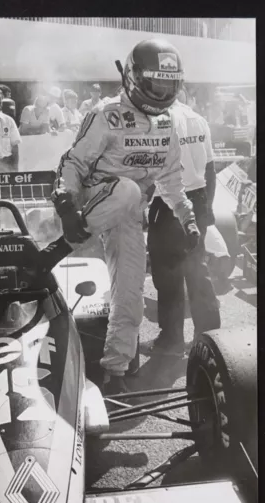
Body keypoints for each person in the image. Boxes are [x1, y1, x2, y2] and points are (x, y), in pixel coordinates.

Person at [50, 39, 199, 396]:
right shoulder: (106, 113)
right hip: (87, 205)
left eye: (169, 84)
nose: (163, 91)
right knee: (130, 190)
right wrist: (66, 205)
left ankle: (114, 370)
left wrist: (188, 219)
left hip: (128, 216)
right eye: (156, 83)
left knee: (130, 293)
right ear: (134, 77)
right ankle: (72, 238)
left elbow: (172, 181)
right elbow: (73, 163)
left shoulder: (168, 124)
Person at [146, 97, 221, 355]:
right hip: (198, 197)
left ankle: (172, 339)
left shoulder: (156, 121)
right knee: (197, 268)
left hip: (168, 203)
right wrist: (208, 207)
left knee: (168, 273)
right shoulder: (198, 119)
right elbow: (211, 168)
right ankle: (211, 337)